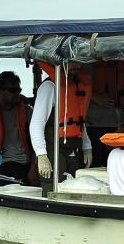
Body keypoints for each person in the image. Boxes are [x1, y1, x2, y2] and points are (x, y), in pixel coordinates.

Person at [29, 61, 93, 196]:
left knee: (75, 188)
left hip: (73, 148)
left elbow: (78, 120)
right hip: (53, 147)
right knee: (53, 189)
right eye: (71, 63)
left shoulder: (76, 87)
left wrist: (87, 146)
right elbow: (36, 123)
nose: (76, 67)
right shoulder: (49, 87)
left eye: (78, 63)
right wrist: (41, 155)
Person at [0, 71, 35, 184]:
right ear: (0, 90)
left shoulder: (27, 111)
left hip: (23, 164)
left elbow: (38, 140)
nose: (17, 93)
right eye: (12, 90)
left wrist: (33, 167)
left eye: (19, 90)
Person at [86, 60, 124, 168]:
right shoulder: (88, 62)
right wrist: (95, 98)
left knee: (113, 164)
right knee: (94, 164)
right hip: (93, 125)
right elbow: (78, 86)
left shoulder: (121, 62)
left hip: (117, 124)